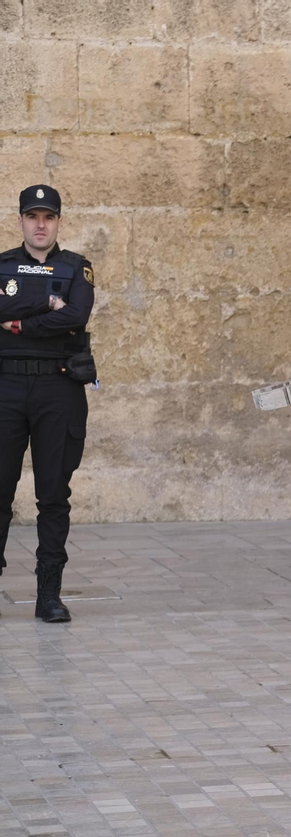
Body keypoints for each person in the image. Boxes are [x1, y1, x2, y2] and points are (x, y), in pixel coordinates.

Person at [0, 185, 95, 622]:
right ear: (20, 220)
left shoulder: (77, 268)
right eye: (33, 216)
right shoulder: (2, 266)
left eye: (49, 217)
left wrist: (17, 320)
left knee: (54, 495)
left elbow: (75, 316)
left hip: (59, 390)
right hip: (7, 388)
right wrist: (43, 304)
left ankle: (49, 595)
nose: (41, 225)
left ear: (58, 222)